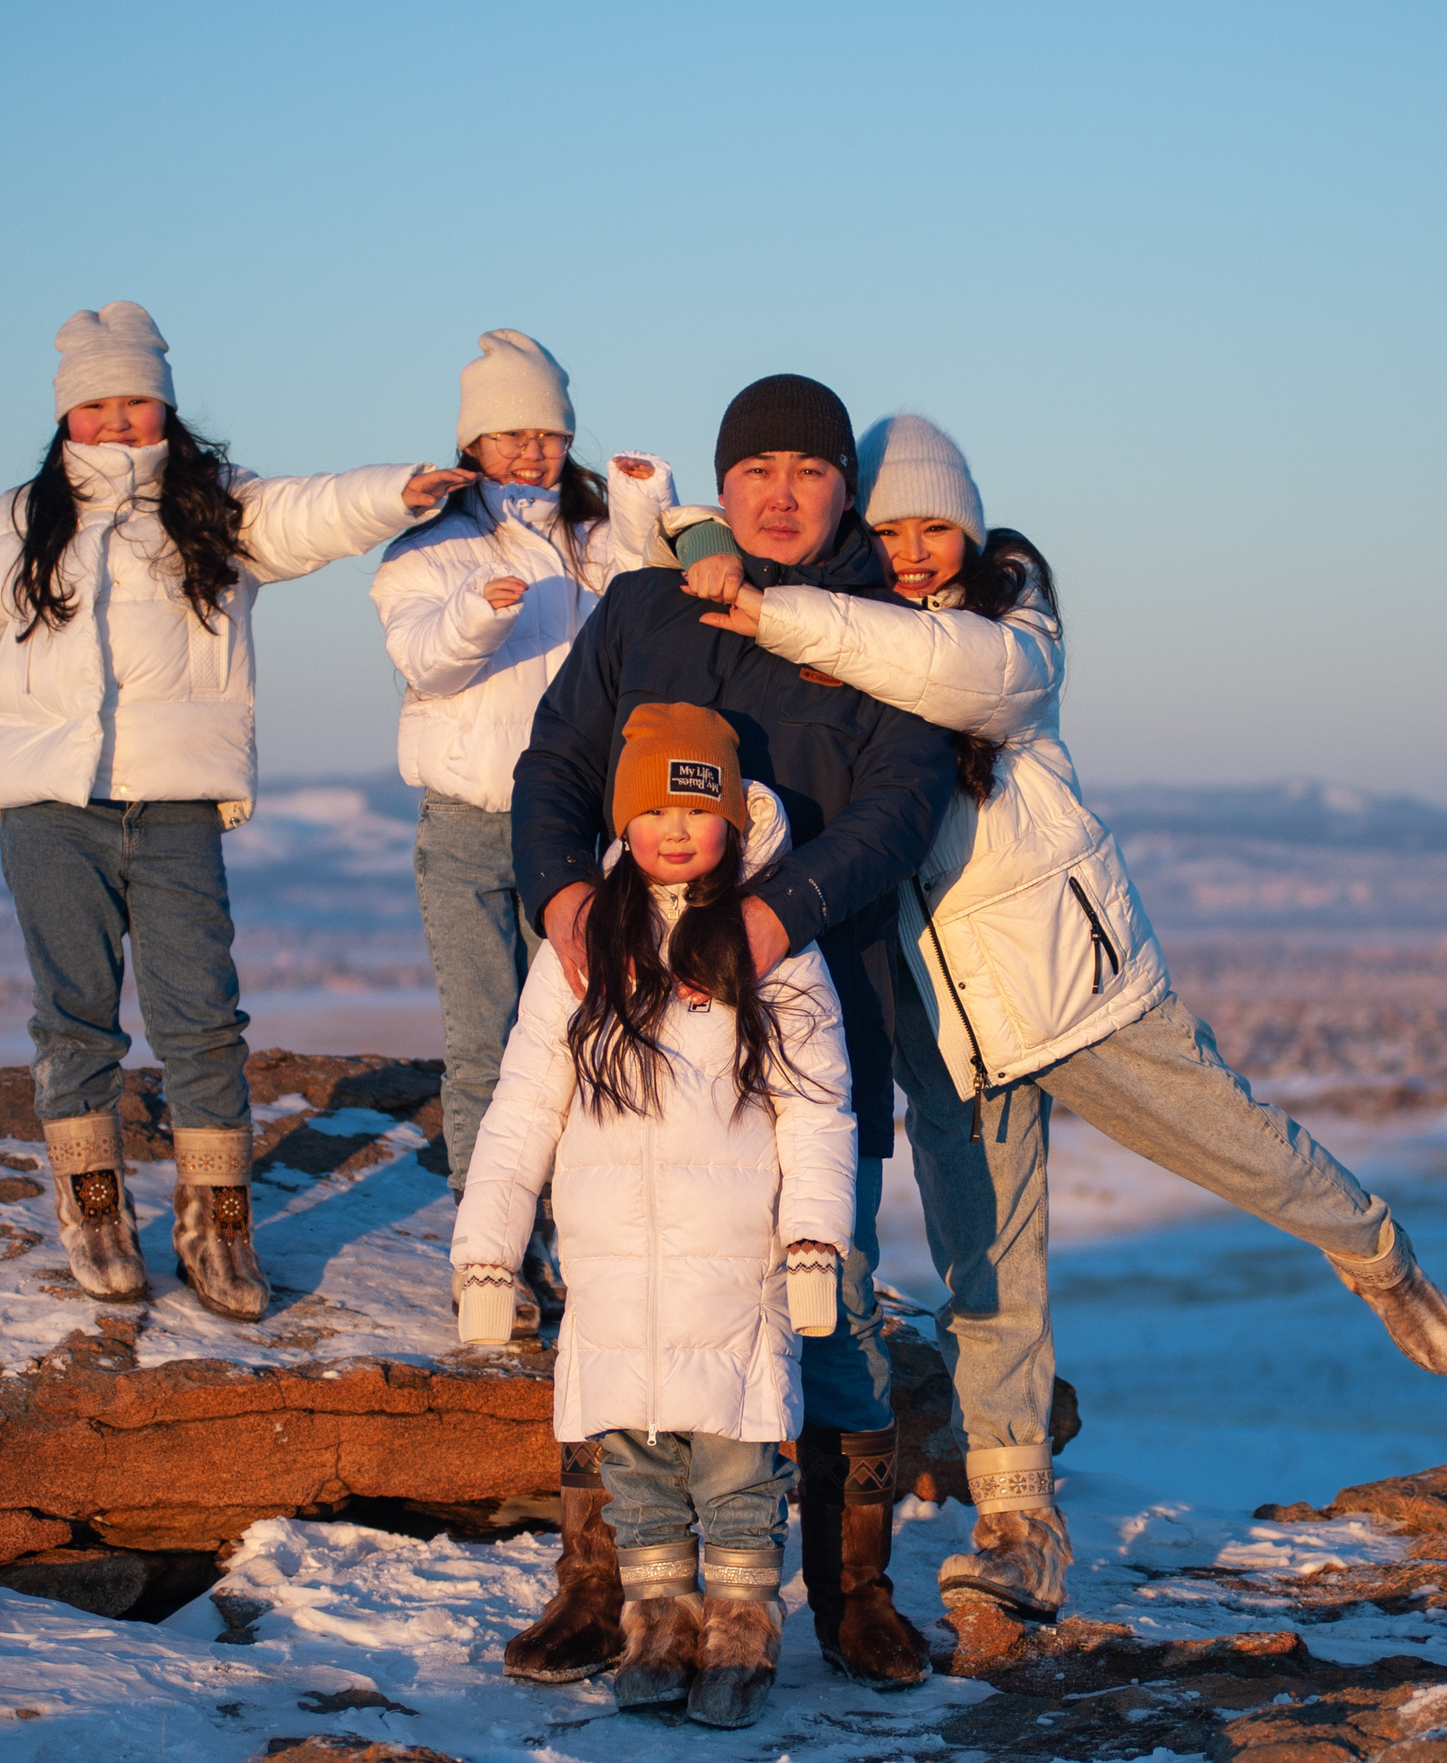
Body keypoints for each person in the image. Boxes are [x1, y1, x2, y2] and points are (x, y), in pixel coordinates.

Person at [677, 413, 1447, 1623]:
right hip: (946, 1016)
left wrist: (782, 611)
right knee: (985, 1272)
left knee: (1237, 1143)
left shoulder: (1013, 627)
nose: (910, 551)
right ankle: (1017, 1523)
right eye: (884, 529)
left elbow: (949, 675)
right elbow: (662, 507)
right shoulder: (851, 619)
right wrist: (690, 528)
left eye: (931, 525)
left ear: (973, 526)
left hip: (1072, 985)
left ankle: (1368, 1243)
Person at [0, 301, 474, 1319]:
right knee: (75, 1017)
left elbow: (314, 512)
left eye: (135, 400)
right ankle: (94, 1208)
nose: (116, 421)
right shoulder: (17, 521)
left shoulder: (215, 506)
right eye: (95, 404)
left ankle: (215, 1221)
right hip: (51, 807)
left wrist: (395, 492)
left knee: (201, 1017)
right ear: (66, 414)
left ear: (167, 407)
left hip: (176, 798)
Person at [509, 376, 956, 1691]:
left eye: (807, 470)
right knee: (622, 1308)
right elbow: (554, 761)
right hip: (635, 1044)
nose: (776, 491)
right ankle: (607, 1584)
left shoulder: (888, 630)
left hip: (812, 1022)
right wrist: (561, 892)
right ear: (724, 480)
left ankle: (850, 1594)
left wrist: (775, 916)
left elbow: (902, 800)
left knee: (833, 1312)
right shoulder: (645, 607)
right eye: (752, 467)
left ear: (841, 491)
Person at [454, 705, 855, 1729]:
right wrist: (487, 1254)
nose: (675, 828)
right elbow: (520, 1109)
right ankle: (658, 1630)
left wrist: (814, 1240)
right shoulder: (584, 947)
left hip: (731, 1268)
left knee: (732, 1470)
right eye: (652, 808)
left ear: (732, 814)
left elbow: (817, 1107)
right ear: (620, 822)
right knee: (634, 1474)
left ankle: (739, 1635)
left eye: (696, 805)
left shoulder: (772, 945)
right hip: (612, 1275)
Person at [370, 331, 675, 1329]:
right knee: (483, 1043)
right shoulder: (429, 547)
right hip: (464, 825)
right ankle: (489, 1250)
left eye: (548, 433)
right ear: (472, 440)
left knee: (582, 1035)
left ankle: (574, 1231)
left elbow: (649, 604)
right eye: (510, 434)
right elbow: (425, 659)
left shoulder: (589, 543)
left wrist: (635, 506)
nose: (533, 453)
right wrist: (475, 614)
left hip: (574, 831)